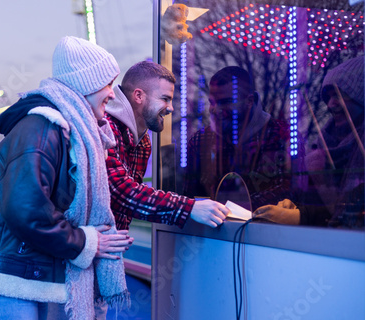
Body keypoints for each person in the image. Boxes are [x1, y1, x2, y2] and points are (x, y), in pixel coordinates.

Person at [0, 36, 134, 320]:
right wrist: (87, 241)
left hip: (15, 270)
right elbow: (27, 210)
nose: (112, 95)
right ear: (85, 84)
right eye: (107, 84)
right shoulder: (42, 129)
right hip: (1, 278)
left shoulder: (64, 130)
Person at [104, 60, 230, 231]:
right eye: (165, 99)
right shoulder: (106, 128)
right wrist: (189, 207)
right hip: (87, 247)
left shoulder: (142, 140)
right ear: (138, 96)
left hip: (108, 245)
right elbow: (120, 191)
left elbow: (129, 202)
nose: (170, 108)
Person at [254, 56, 365, 228]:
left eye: (339, 95)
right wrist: (291, 205)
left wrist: (300, 216)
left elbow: (353, 214)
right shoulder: (322, 147)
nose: (330, 104)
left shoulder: (358, 150)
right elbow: (322, 206)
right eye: (327, 97)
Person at [183, 66, 292, 211]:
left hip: (267, 230)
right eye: (212, 102)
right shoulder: (200, 140)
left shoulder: (280, 135)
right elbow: (191, 198)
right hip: (212, 229)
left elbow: (286, 192)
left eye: (224, 102)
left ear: (249, 101)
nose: (214, 110)